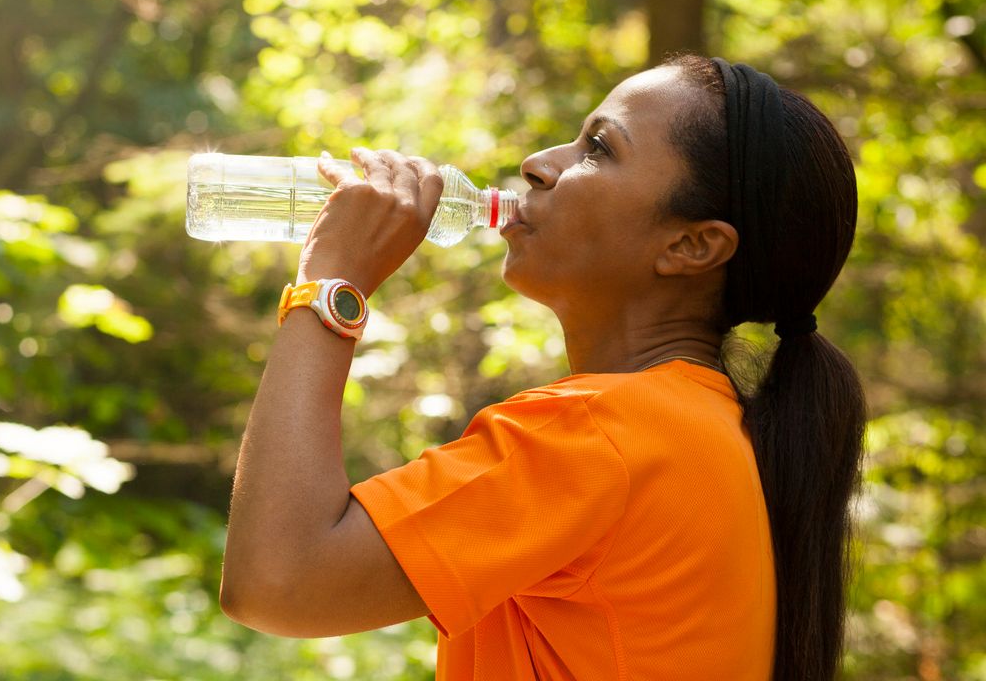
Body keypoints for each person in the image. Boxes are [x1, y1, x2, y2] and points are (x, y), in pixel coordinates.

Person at [219, 54, 867, 681]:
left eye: (598, 148)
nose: (537, 164)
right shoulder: (710, 429)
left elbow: (278, 580)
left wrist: (332, 280)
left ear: (691, 245)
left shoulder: (598, 433)